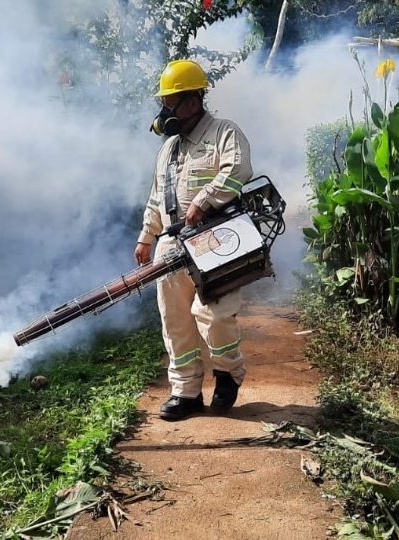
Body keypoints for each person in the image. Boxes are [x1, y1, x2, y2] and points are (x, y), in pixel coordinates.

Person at [134, 59, 253, 421]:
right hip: (171, 245)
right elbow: (157, 196)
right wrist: (146, 237)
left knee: (213, 316)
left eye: (171, 102)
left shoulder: (224, 133)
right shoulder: (168, 149)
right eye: (165, 103)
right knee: (175, 320)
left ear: (192, 100)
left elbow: (239, 170)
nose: (165, 111)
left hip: (216, 238)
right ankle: (185, 393)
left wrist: (204, 200)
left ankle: (227, 373)